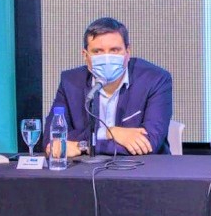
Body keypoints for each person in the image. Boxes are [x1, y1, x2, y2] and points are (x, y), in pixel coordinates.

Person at [45, 17, 173, 156]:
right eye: (98, 51)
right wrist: (110, 132)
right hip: (85, 167)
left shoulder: (155, 79)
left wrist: (82, 146)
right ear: (85, 55)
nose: (107, 58)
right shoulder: (70, 82)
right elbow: (52, 140)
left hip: (144, 166)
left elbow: (148, 143)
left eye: (114, 50)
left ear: (128, 52)